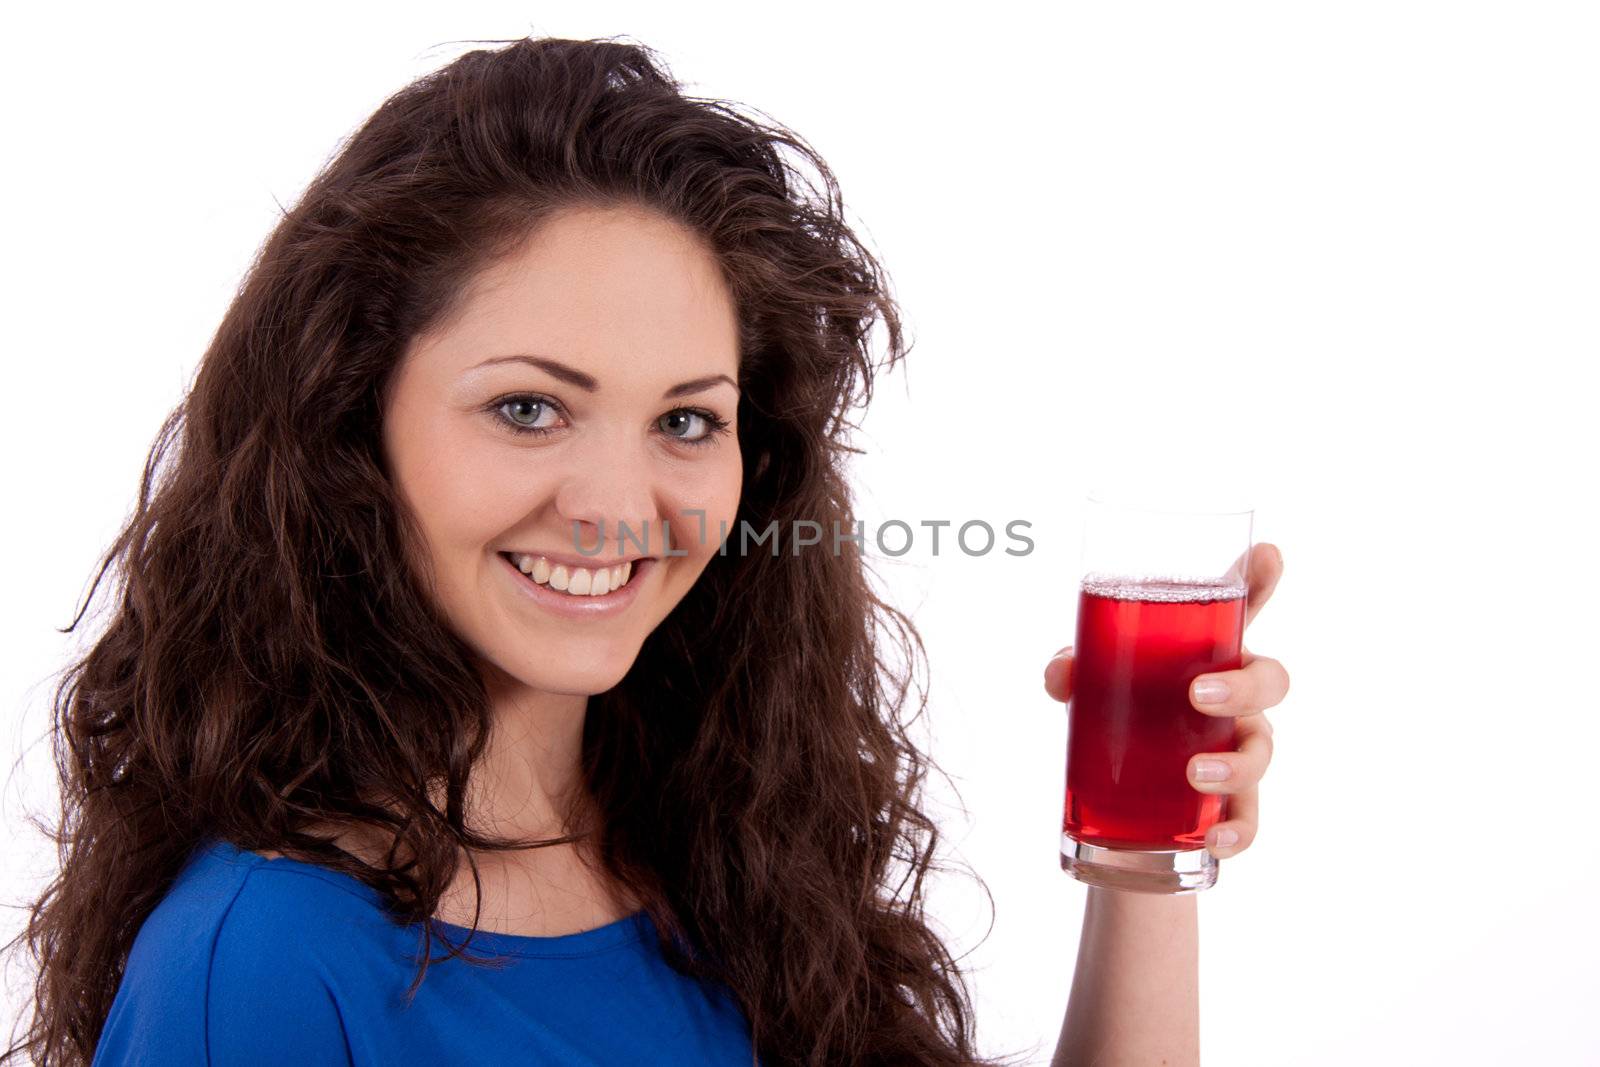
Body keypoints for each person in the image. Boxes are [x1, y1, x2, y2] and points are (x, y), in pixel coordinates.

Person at [1, 35, 1289, 1067]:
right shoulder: (264, 965)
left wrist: (1144, 872)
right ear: (351, 420)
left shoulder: (719, 849)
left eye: (685, 420)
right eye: (528, 408)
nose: (621, 504)